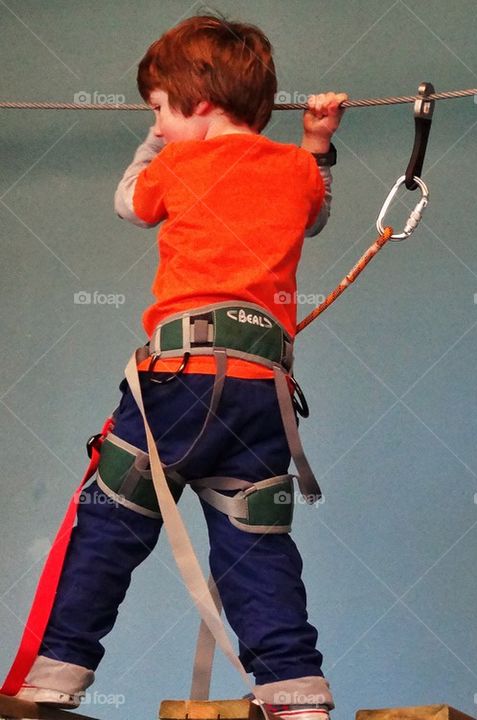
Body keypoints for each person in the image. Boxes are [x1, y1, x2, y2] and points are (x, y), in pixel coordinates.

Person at [10, 13, 345, 720]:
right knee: (256, 543)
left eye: (159, 109)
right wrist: (315, 141)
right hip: (261, 395)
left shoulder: (179, 161)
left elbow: (130, 204)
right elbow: (314, 210)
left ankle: (54, 675)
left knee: (109, 521)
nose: (157, 124)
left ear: (197, 103)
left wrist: (154, 142)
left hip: (178, 382)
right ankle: (295, 690)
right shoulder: (291, 169)